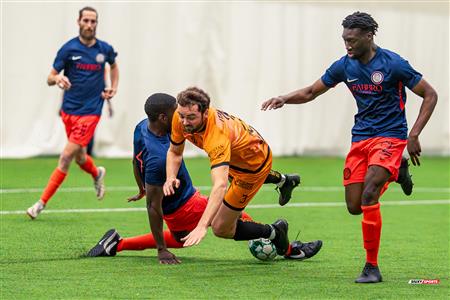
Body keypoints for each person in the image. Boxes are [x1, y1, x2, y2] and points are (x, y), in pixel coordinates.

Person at [261, 12, 437, 283]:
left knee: (369, 195)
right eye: (344, 39)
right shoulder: (344, 66)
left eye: (352, 40)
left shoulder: (394, 64)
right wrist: (284, 98)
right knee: (355, 206)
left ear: (369, 36)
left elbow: (430, 94)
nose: (347, 45)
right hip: (361, 139)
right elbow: (311, 92)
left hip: (391, 136)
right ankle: (397, 171)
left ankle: (371, 267)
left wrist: (414, 135)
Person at [87, 93, 322, 264]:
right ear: (163, 118)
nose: (182, 121)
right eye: (177, 116)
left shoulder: (142, 127)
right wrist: (161, 249)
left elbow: (136, 159)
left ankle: (286, 244)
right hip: (185, 204)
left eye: (188, 116)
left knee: (223, 222)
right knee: (207, 229)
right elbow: (153, 206)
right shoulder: (160, 157)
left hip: (246, 168)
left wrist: (143, 187)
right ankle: (276, 231)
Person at [163, 87, 301, 258]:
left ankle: (276, 232)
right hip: (239, 156)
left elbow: (220, 186)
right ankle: (284, 181)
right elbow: (174, 152)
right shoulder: (180, 116)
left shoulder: (217, 138)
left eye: (191, 117)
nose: (184, 122)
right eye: (182, 116)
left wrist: (202, 225)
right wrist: (170, 176)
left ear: (206, 113)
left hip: (252, 167)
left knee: (221, 227)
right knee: (230, 172)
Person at [26, 6, 119, 219]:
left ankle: (40, 204)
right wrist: (58, 78)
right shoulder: (68, 49)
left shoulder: (104, 49)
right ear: (79, 22)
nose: (89, 25)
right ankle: (97, 173)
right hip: (69, 111)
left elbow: (114, 66)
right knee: (79, 157)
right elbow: (50, 77)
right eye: (85, 20)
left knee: (66, 156)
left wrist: (114, 86)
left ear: (97, 24)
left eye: (93, 21)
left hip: (91, 112)